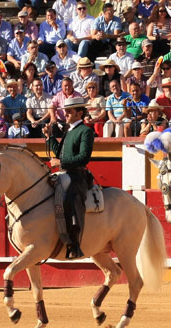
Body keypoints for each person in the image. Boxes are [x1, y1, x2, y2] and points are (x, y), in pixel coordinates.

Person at [44, 96, 95, 259]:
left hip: (77, 176)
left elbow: (83, 158)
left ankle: (74, 244)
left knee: (70, 199)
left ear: (79, 113)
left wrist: (61, 161)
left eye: (68, 111)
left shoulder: (86, 131)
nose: (65, 114)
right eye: (65, 111)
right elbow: (59, 152)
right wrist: (49, 137)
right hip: (64, 173)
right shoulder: (70, 130)